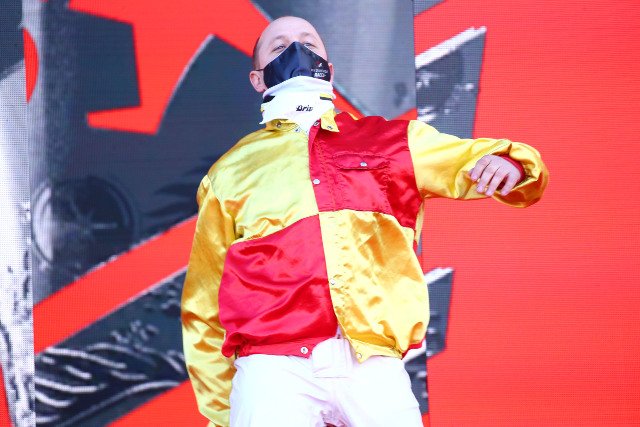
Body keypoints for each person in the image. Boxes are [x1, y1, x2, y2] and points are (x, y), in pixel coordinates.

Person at [181, 16, 548, 427]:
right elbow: (204, 301)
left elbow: (478, 160)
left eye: (308, 42)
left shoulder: (394, 142)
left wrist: (512, 164)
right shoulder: (230, 171)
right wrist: (224, 411)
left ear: (329, 68)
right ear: (257, 79)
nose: (296, 51)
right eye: (279, 46)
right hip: (272, 368)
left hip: (372, 364)